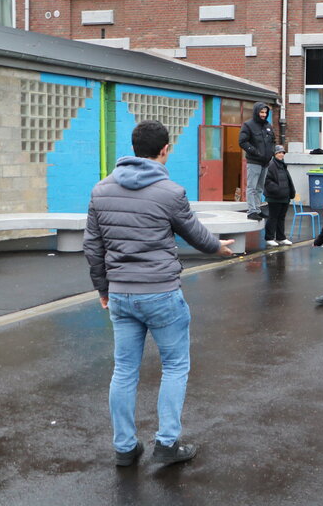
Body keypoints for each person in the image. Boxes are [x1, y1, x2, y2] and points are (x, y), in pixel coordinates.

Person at [83, 120, 235, 467]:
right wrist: (219, 248)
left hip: (121, 294)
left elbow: (92, 247)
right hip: (161, 293)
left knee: (124, 371)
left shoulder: (100, 190)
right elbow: (195, 233)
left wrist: (103, 289)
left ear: (133, 148)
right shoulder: (170, 192)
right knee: (175, 366)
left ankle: (125, 447)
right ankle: (166, 444)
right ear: (164, 150)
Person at [238, 102, 275, 221]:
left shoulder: (268, 126)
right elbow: (242, 142)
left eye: (265, 112)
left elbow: (273, 141)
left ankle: (258, 209)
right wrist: (255, 152)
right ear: (256, 112)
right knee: (252, 187)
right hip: (254, 161)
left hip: (265, 162)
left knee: (260, 188)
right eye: (261, 112)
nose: (264, 115)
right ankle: (251, 211)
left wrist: (272, 152)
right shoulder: (248, 125)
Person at [263, 145, 296, 247]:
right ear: (275, 154)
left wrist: (291, 192)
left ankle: (281, 238)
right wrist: (278, 190)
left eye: (283, 153)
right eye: (279, 153)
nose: (281, 154)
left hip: (284, 197)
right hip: (274, 197)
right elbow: (267, 181)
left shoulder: (282, 165)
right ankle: (269, 237)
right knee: (273, 217)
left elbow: (287, 180)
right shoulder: (271, 165)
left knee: (281, 217)